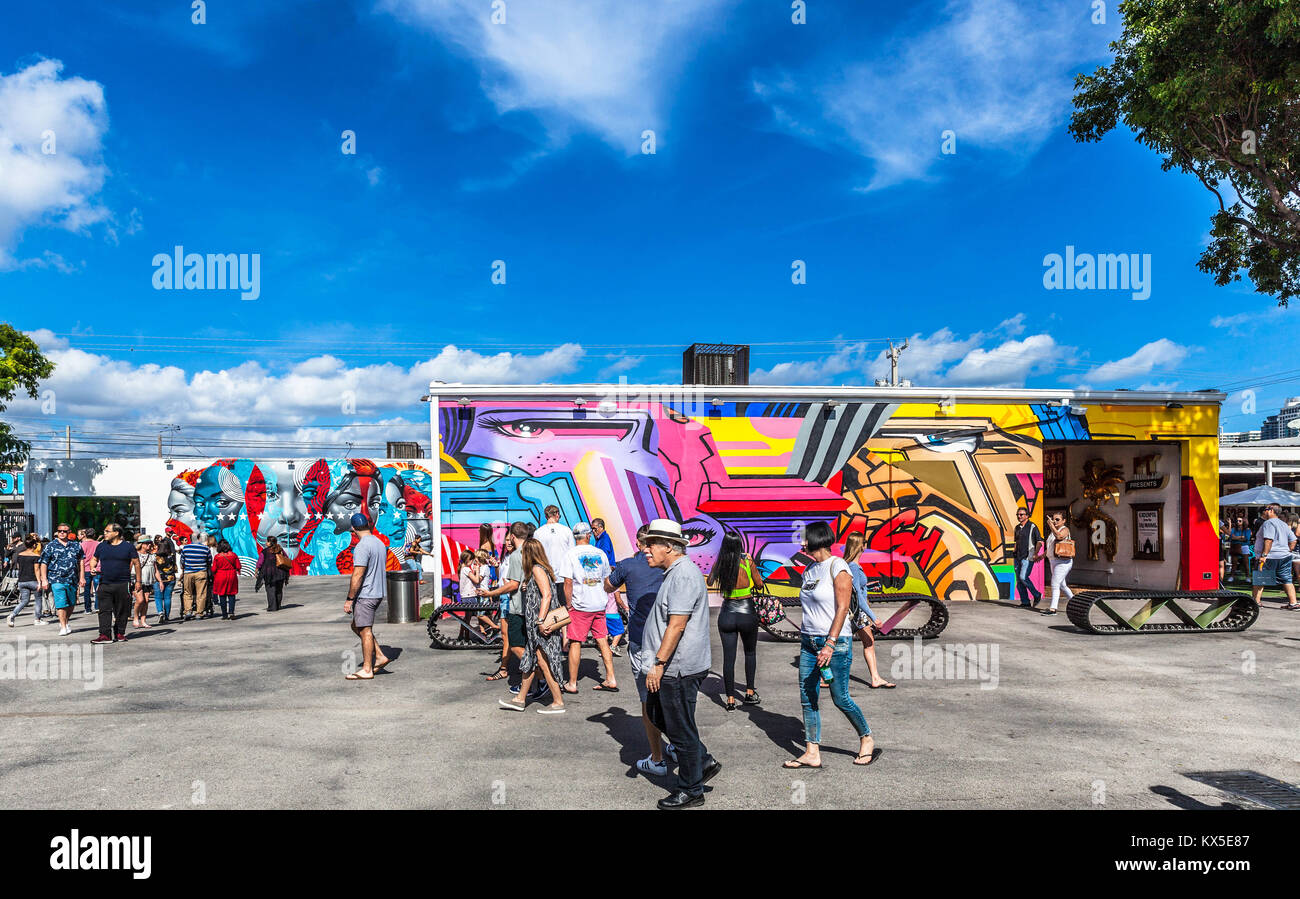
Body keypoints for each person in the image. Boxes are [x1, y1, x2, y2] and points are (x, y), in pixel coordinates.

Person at [784, 520, 879, 771]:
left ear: (817, 539)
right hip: (808, 642)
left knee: (841, 698)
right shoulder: (808, 571)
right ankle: (812, 752)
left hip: (835, 644)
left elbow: (843, 608)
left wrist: (830, 643)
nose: (801, 542)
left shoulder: (838, 567)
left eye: (805, 538)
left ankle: (866, 738)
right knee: (808, 698)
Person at [640, 519, 720, 809]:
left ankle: (691, 790)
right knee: (658, 715)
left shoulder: (683, 574)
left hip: (678, 668)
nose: (645, 549)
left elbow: (677, 625)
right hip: (673, 667)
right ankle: (703, 761)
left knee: (680, 728)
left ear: (670, 547)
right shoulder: (674, 572)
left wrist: (659, 663)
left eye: (651, 544)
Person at [605, 525, 670, 775]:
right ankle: (675, 745)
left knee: (647, 700)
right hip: (669, 641)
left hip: (643, 640)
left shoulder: (628, 565)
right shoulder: (669, 567)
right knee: (670, 697)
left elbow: (608, 586)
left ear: (638, 542)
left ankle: (657, 758)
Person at [498, 537, 567, 713]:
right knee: (530, 660)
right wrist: (526, 587)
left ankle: (558, 702)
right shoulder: (540, 570)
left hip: (540, 626)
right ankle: (520, 699)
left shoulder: (537, 569)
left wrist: (540, 620)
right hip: (535, 628)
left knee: (543, 662)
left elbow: (547, 595)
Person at [559, 522, 618, 693]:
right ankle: (611, 678)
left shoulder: (569, 554)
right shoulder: (600, 553)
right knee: (602, 640)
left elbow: (567, 583)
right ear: (588, 535)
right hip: (599, 603)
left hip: (580, 605)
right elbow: (608, 580)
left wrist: (568, 604)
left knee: (575, 641)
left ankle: (572, 683)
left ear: (574, 536)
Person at [706, 533, 762, 710]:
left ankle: (730, 699)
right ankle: (750, 692)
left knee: (728, 658)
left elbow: (709, 580)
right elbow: (759, 584)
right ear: (739, 545)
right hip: (747, 611)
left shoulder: (721, 562)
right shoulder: (746, 562)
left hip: (727, 612)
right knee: (750, 653)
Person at [479, 522, 529, 686]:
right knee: (507, 635)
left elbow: (512, 583)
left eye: (510, 539)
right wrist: (498, 566)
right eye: (506, 540)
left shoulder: (517, 556)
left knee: (509, 636)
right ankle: (509, 667)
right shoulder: (508, 557)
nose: (507, 542)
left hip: (510, 597)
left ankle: (514, 668)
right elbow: (503, 578)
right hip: (505, 597)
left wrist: (491, 593)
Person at [843, 532, 894, 689]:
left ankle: (875, 677)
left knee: (864, 642)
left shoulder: (851, 565)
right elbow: (858, 595)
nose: (866, 545)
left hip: (856, 612)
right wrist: (874, 617)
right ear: (861, 546)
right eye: (865, 543)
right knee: (867, 643)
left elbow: (859, 591)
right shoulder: (853, 567)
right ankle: (875, 678)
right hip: (858, 613)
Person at [343, 514, 392, 679]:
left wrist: (349, 599)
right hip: (378, 592)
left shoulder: (362, 546)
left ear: (353, 529)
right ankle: (379, 655)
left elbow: (358, 575)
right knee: (357, 626)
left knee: (365, 630)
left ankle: (367, 669)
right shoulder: (379, 543)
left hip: (366, 594)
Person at [91, 523, 144, 644]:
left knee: (122, 610)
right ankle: (105, 635)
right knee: (104, 610)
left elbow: (136, 564)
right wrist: (93, 567)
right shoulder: (101, 546)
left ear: (116, 533)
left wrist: (138, 581)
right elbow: (94, 559)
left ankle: (120, 633)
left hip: (123, 583)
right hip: (104, 583)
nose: (104, 533)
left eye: (107, 531)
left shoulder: (128, 547)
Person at [36, 523, 85, 637]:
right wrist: (44, 579)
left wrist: (82, 577)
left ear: (69, 532)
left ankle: (66, 621)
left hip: (72, 578)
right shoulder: (50, 546)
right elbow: (43, 563)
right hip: (56, 579)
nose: (62, 533)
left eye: (64, 531)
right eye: (60, 531)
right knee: (61, 603)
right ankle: (63, 626)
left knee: (71, 603)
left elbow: (81, 561)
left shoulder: (76, 545)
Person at [1251, 503, 1299, 609]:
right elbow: (1293, 540)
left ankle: (1256, 602)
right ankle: (1293, 603)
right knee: (1286, 579)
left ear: (1271, 510)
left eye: (1265, 509)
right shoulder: (1283, 524)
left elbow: (1268, 539)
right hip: (1284, 556)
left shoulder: (1268, 523)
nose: (1264, 511)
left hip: (1270, 557)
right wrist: (1287, 550)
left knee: (1260, 579)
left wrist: (1264, 555)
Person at [6, 535, 47, 627]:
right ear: (33, 546)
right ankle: (37, 619)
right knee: (38, 600)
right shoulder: (36, 556)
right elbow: (37, 570)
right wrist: (39, 582)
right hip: (33, 580)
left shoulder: (20, 555)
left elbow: (18, 567)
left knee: (24, 601)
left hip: (22, 581)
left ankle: (12, 615)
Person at [534, 505, 574, 600]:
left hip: (545, 576)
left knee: (549, 608)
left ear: (546, 516)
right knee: (564, 610)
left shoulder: (538, 533)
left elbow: (536, 556)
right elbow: (571, 554)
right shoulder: (567, 531)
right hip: (564, 576)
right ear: (557, 514)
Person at [1042, 512, 1074, 616]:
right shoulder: (1052, 532)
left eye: (1057, 519)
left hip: (1063, 562)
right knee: (1062, 585)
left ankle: (1053, 609)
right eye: (1053, 519)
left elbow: (1060, 536)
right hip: (1054, 561)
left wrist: (1051, 525)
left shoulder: (1065, 529)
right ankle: (1076, 602)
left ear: (1063, 521)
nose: (1054, 521)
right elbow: (1051, 547)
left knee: (1055, 584)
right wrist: (1041, 556)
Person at [1012, 508, 1042, 607]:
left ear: (1027, 516)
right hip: (1017, 557)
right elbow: (1016, 541)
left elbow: (1039, 542)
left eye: (1021, 514)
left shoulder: (1032, 526)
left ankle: (1037, 595)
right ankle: (1025, 602)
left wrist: (1036, 554)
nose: (1019, 516)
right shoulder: (1017, 527)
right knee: (1019, 581)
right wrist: (1014, 551)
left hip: (1027, 557)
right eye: (1018, 514)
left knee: (1023, 577)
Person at [178, 534, 212, 621]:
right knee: (201, 593)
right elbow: (209, 561)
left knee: (187, 592)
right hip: (201, 572)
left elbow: (182, 562)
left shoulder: (185, 548)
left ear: (190, 539)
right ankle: (199, 613)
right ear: (199, 538)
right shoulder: (205, 548)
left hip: (188, 573)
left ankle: (188, 611)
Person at [256, 535, 290, 611]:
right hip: (281, 573)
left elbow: (260, 562)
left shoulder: (265, 551)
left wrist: (256, 569)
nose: (266, 542)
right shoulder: (280, 550)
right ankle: (278, 605)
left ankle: (272, 607)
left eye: (267, 541)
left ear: (270, 542)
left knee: (270, 590)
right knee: (279, 590)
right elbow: (286, 558)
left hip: (269, 574)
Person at [213, 539, 241, 620]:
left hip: (220, 576)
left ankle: (224, 614)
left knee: (222, 595)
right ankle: (231, 612)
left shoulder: (217, 557)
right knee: (232, 594)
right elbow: (238, 566)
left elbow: (214, 569)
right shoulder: (234, 555)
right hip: (232, 575)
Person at [153, 536, 177, 623]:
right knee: (167, 597)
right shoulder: (171, 556)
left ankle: (160, 612)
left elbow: (154, 569)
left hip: (158, 579)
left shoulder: (155, 557)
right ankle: (167, 616)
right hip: (170, 578)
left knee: (158, 597)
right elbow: (175, 567)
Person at [133, 538, 156, 629]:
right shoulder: (135, 555)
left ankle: (143, 621)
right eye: (147, 543)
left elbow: (155, 570)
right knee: (140, 600)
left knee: (146, 601)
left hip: (148, 581)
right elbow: (130, 567)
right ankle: (135, 618)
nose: (149, 545)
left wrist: (160, 581)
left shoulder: (151, 556)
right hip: (137, 581)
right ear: (141, 544)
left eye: (150, 543)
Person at [79, 528, 100, 615]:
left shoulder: (82, 545)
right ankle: (97, 606)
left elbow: (80, 559)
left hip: (85, 569)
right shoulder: (99, 544)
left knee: (86, 591)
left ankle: (88, 609)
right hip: (96, 568)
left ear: (85, 535)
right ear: (94, 535)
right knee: (98, 589)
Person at [203, 534, 219, 618]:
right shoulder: (217, 549)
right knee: (215, 584)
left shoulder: (207, 549)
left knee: (209, 585)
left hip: (209, 567)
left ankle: (210, 599)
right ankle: (215, 598)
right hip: (215, 567)